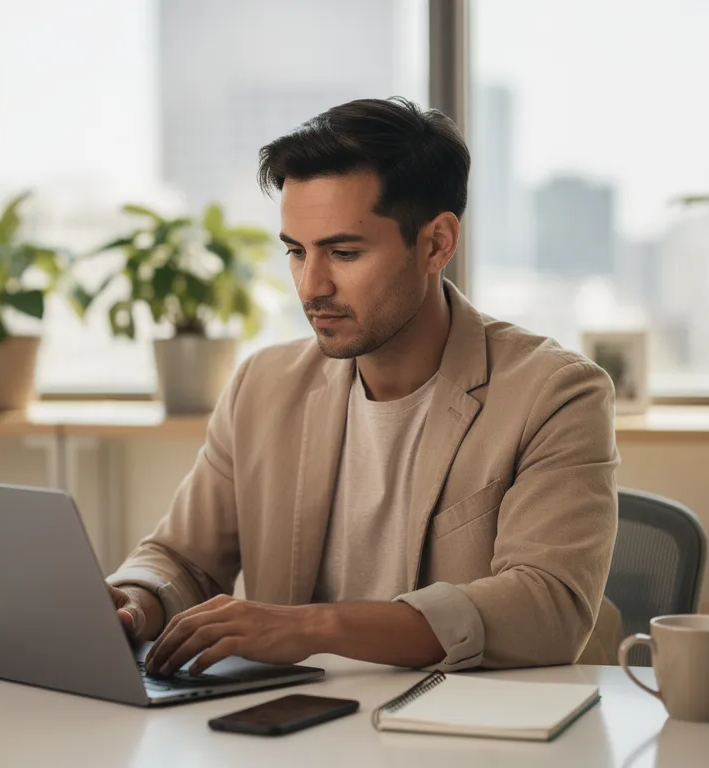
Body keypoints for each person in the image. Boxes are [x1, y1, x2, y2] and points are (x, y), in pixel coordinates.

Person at [107, 96, 624, 677]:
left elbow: (546, 608)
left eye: (344, 252)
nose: (310, 286)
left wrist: (308, 627)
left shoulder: (556, 395)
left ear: (436, 244)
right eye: (296, 253)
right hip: (291, 726)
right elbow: (183, 559)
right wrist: (133, 600)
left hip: (467, 732)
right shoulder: (263, 385)